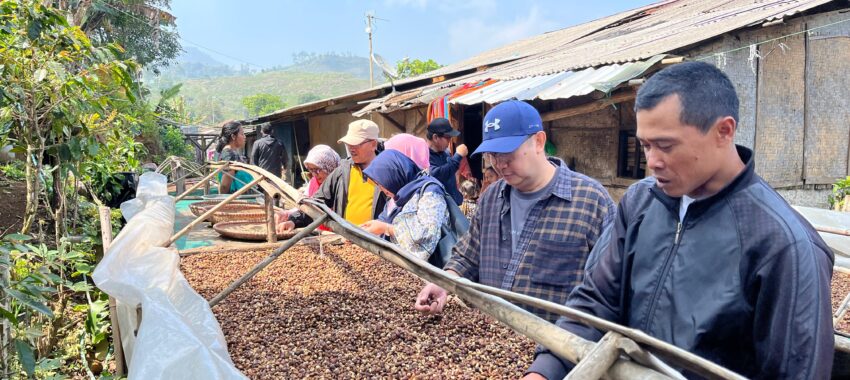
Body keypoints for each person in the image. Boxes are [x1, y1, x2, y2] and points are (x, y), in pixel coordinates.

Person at [524, 62, 834, 380]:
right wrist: (545, 371)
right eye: (645, 145)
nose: (652, 162)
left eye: (666, 146)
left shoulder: (784, 246)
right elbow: (596, 301)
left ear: (723, 132)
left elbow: (798, 371)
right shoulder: (640, 202)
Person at [414, 100, 615, 323]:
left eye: (508, 153)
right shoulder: (491, 197)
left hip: (557, 348)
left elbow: (610, 290)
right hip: (492, 341)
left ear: (538, 142)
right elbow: (468, 256)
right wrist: (444, 282)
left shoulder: (590, 200)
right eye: (493, 155)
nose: (500, 164)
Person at [286, 120, 388, 228]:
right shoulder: (343, 171)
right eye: (349, 143)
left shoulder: (388, 171)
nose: (351, 148)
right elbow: (319, 202)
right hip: (347, 238)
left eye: (357, 144)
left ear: (373, 144)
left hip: (377, 241)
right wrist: (294, 221)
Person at [359, 150, 449, 260]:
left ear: (392, 175)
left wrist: (387, 229)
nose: (381, 189)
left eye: (381, 183)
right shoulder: (397, 195)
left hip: (425, 271)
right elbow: (383, 220)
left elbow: (427, 236)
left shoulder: (431, 193)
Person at [427, 118, 467, 205]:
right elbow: (436, 175)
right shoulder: (424, 156)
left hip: (453, 204)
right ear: (435, 137)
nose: (449, 142)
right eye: (447, 138)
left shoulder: (445, 153)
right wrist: (458, 156)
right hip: (439, 208)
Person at [215, 120, 253, 194]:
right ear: (233, 136)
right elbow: (225, 185)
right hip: (235, 200)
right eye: (242, 134)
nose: (245, 137)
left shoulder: (227, 152)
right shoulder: (229, 154)